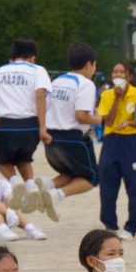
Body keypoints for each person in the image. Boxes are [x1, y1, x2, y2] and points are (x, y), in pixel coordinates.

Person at [0, 39, 49, 216]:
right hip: (30, 125)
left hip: (6, 125)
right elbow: (40, 95)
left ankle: (16, 183)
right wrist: (42, 127)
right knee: (24, 158)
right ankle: (30, 185)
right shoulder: (38, 70)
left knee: (2, 162)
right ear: (33, 57)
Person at [36, 43, 100, 222]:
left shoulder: (57, 82)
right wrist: (98, 119)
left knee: (71, 174)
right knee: (91, 178)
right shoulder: (86, 84)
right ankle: (57, 194)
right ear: (89, 64)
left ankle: (46, 185)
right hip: (73, 138)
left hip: (52, 137)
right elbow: (81, 115)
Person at [96, 60, 136, 235]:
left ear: (129, 76)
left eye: (122, 72)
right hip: (111, 142)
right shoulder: (106, 95)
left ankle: (132, 226)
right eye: (115, 72)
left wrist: (131, 123)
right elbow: (108, 121)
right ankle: (110, 225)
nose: (118, 75)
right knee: (107, 185)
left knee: (134, 186)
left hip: (131, 143)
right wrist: (117, 98)